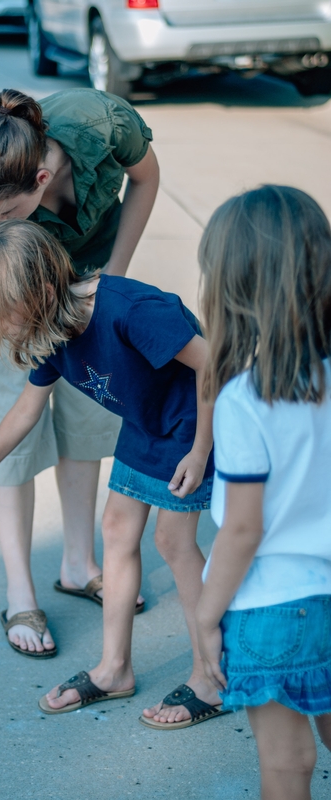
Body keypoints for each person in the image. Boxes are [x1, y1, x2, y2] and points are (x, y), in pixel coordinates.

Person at [0, 219, 223, 727]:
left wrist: (201, 451)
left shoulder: (131, 312)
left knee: (174, 543)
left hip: (191, 421)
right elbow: (26, 411)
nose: (1, 327)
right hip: (146, 421)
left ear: (42, 290)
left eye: (5, 314)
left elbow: (214, 366)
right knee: (115, 528)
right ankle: (115, 669)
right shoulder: (53, 330)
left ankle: (211, 678)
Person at [0, 88, 159, 657]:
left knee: (86, 413)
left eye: (0, 215)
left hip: (88, 285)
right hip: (17, 298)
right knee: (14, 417)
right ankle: (20, 590)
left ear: (37, 182)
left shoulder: (104, 125)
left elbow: (147, 181)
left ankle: (79, 564)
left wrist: (113, 284)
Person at [195, 186, 331, 799]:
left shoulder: (245, 400)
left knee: (286, 761)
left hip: (273, 606)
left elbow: (243, 529)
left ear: (232, 287)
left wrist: (204, 610)